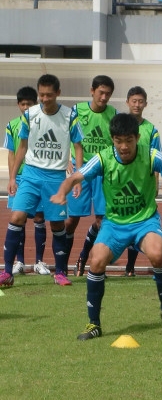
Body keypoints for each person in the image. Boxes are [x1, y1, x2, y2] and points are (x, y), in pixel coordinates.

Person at [51, 113, 162, 339]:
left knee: (157, 253)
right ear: (112, 139)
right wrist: (61, 192)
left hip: (145, 221)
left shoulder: (151, 155)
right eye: (118, 141)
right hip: (114, 224)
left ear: (137, 137)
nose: (123, 146)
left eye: (128, 140)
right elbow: (74, 177)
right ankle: (93, 323)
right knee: (96, 261)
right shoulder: (103, 158)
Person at [0, 74, 84, 288]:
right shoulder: (30, 115)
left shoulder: (70, 116)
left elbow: (78, 147)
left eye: (49, 95)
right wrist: (12, 177)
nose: (44, 99)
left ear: (58, 93)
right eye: (42, 94)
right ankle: (7, 272)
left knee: (56, 224)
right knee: (17, 216)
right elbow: (21, 147)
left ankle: (61, 272)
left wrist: (77, 178)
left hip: (56, 177)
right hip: (31, 175)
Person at [67, 75, 118, 277]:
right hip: (80, 168)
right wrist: (68, 165)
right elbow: (67, 138)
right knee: (71, 220)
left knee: (101, 220)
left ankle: (89, 261)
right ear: (92, 91)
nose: (104, 97)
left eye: (108, 94)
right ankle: (62, 265)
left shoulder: (113, 113)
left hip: (102, 170)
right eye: (101, 92)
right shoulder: (77, 110)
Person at [4, 86, 49, 276]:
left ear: (35, 104)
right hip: (21, 177)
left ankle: (39, 261)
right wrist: (12, 177)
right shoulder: (12, 125)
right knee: (19, 219)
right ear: (18, 105)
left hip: (39, 175)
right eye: (22, 104)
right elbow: (12, 153)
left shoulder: (44, 122)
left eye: (28, 104)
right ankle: (19, 262)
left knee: (39, 218)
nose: (25, 107)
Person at [123, 86, 162, 277]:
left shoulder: (151, 130)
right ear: (127, 102)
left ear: (146, 104)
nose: (137, 105)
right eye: (134, 101)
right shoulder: (120, 125)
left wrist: (156, 183)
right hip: (121, 182)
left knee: (138, 222)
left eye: (141, 101)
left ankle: (130, 267)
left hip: (142, 184)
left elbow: (156, 159)